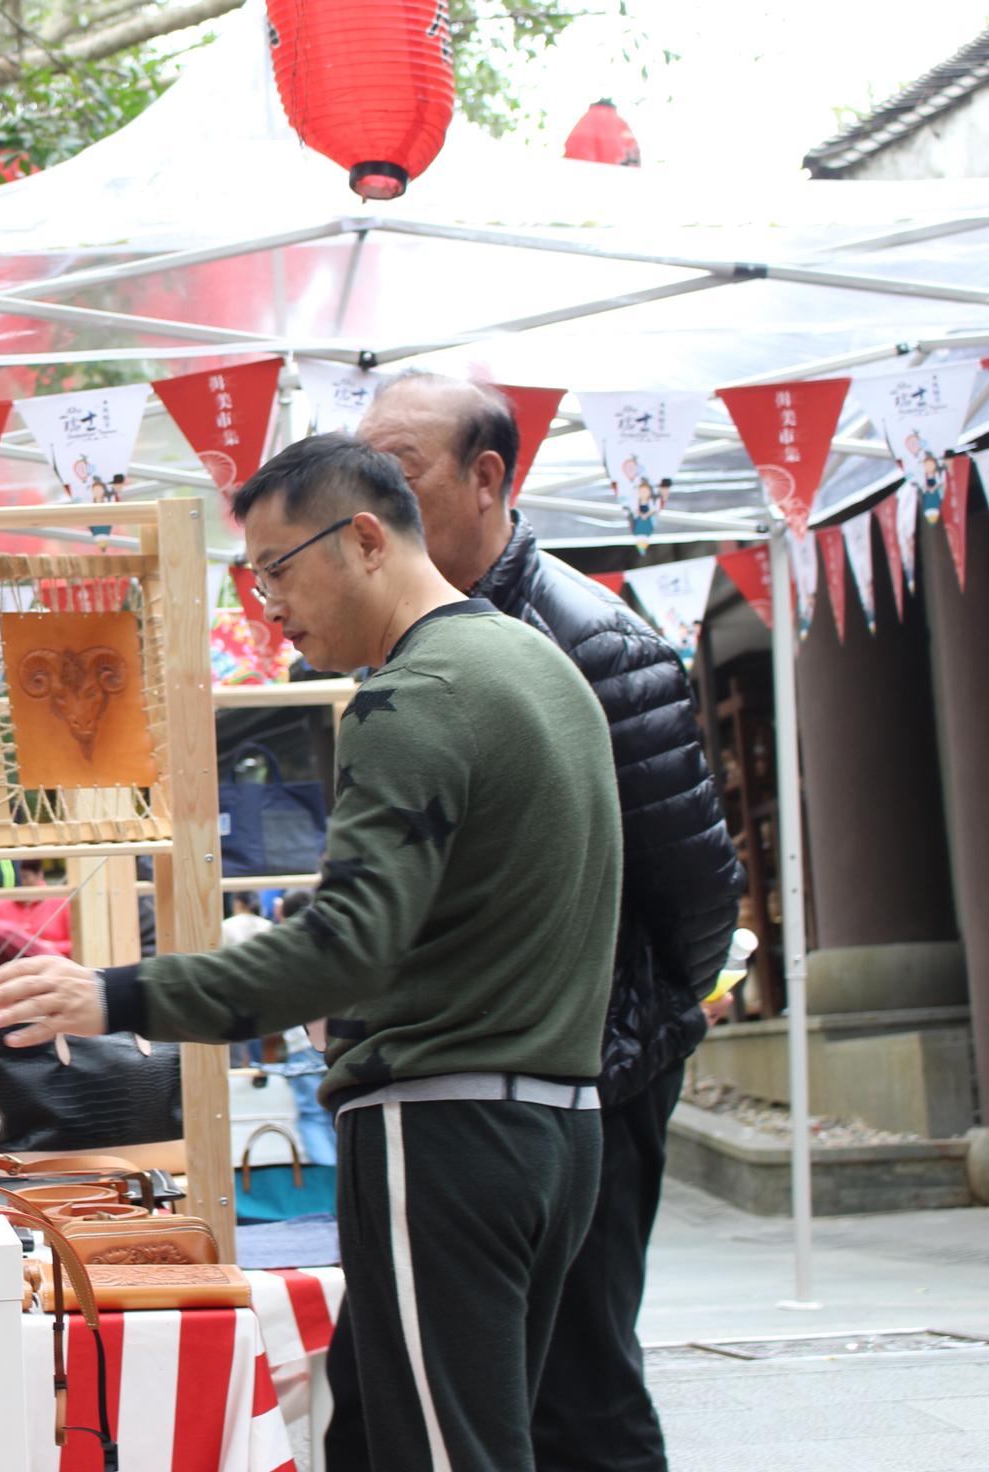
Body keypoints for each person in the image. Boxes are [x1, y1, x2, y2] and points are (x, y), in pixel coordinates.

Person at [0, 433, 622, 1472]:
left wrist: (112, 994)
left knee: (448, 1451)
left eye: (276, 566)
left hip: (446, 1127)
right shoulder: (535, 663)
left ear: (365, 537)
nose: (266, 601)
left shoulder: (414, 694)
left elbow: (343, 950)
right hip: (555, 1122)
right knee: (384, 1426)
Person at [358, 372, 744, 1472]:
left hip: (585, 1075)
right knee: (409, 1383)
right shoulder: (410, 636)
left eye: (403, 473)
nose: (371, 504)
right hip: (458, 1085)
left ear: (488, 478)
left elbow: (697, 892)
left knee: (580, 1384)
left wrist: (613, 1031)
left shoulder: (593, 641)